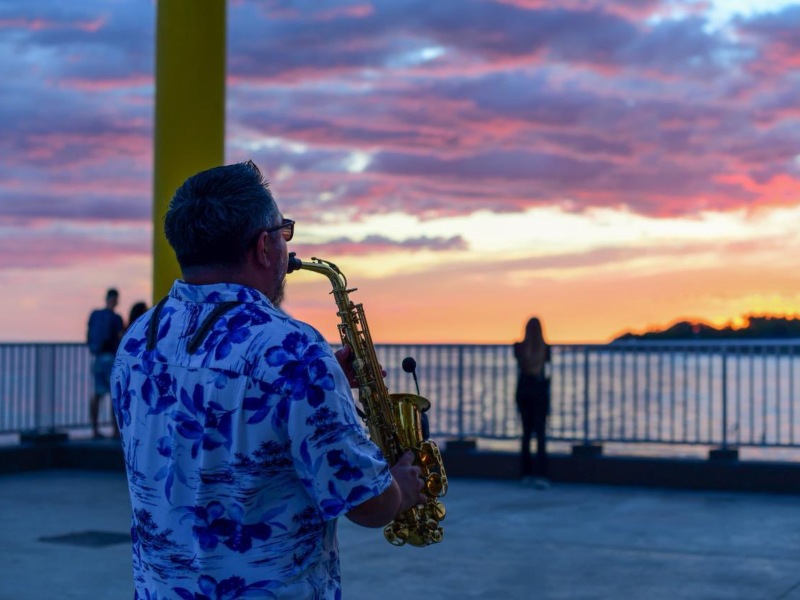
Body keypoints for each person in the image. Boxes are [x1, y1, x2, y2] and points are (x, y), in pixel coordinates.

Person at [111, 161, 425, 599]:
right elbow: (368, 505)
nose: (287, 250)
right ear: (263, 246)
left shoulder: (137, 340)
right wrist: (403, 489)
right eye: (283, 233)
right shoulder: (295, 351)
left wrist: (322, 383)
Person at [513, 316, 552, 489]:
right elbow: (547, 369)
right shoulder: (546, 348)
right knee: (541, 434)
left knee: (526, 433)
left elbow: (520, 366)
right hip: (540, 392)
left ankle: (525, 473)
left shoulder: (519, 347)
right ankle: (541, 474)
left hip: (523, 391)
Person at [86, 287, 124, 439]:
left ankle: (94, 430)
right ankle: (115, 431)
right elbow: (121, 336)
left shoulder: (95, 315)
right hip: (111, 358)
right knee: (114, 395)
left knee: (97, 394)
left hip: (97, 358)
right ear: (115, 299)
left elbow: (88, 334)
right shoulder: (116, 318)